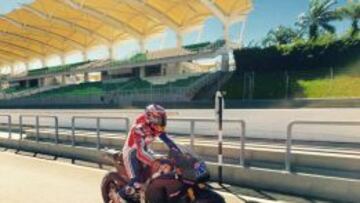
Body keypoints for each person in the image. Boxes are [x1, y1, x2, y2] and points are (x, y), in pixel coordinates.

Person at [117, 104, 180, 201]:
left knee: (161, 170)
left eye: (163, 119)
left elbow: (168, 141)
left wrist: (179, 153)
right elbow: (139, 153)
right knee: (135, 182)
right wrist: (155, 162)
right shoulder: (139, 128)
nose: (162, 122)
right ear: (150, 118)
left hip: (144, 149)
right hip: (131, 153)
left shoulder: (156, 127)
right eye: (159, 119)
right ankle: (119, 197)